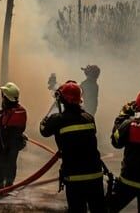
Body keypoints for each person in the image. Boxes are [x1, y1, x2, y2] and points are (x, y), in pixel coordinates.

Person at [40, 79, 106, 212]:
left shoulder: (57, 120)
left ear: (63, 100)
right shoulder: (89, 118)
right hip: (95, 176)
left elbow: (43, 130)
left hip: (74, 178)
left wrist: (49, 114)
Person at [0, 82, 28, 190]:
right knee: (10, 168)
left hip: (3, 152)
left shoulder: (10, 114)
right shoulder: (18, 110)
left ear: (7, 98)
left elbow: (6, 128)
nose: (2, 98)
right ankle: (7, 188)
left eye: (3, 96)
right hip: (11, 153)